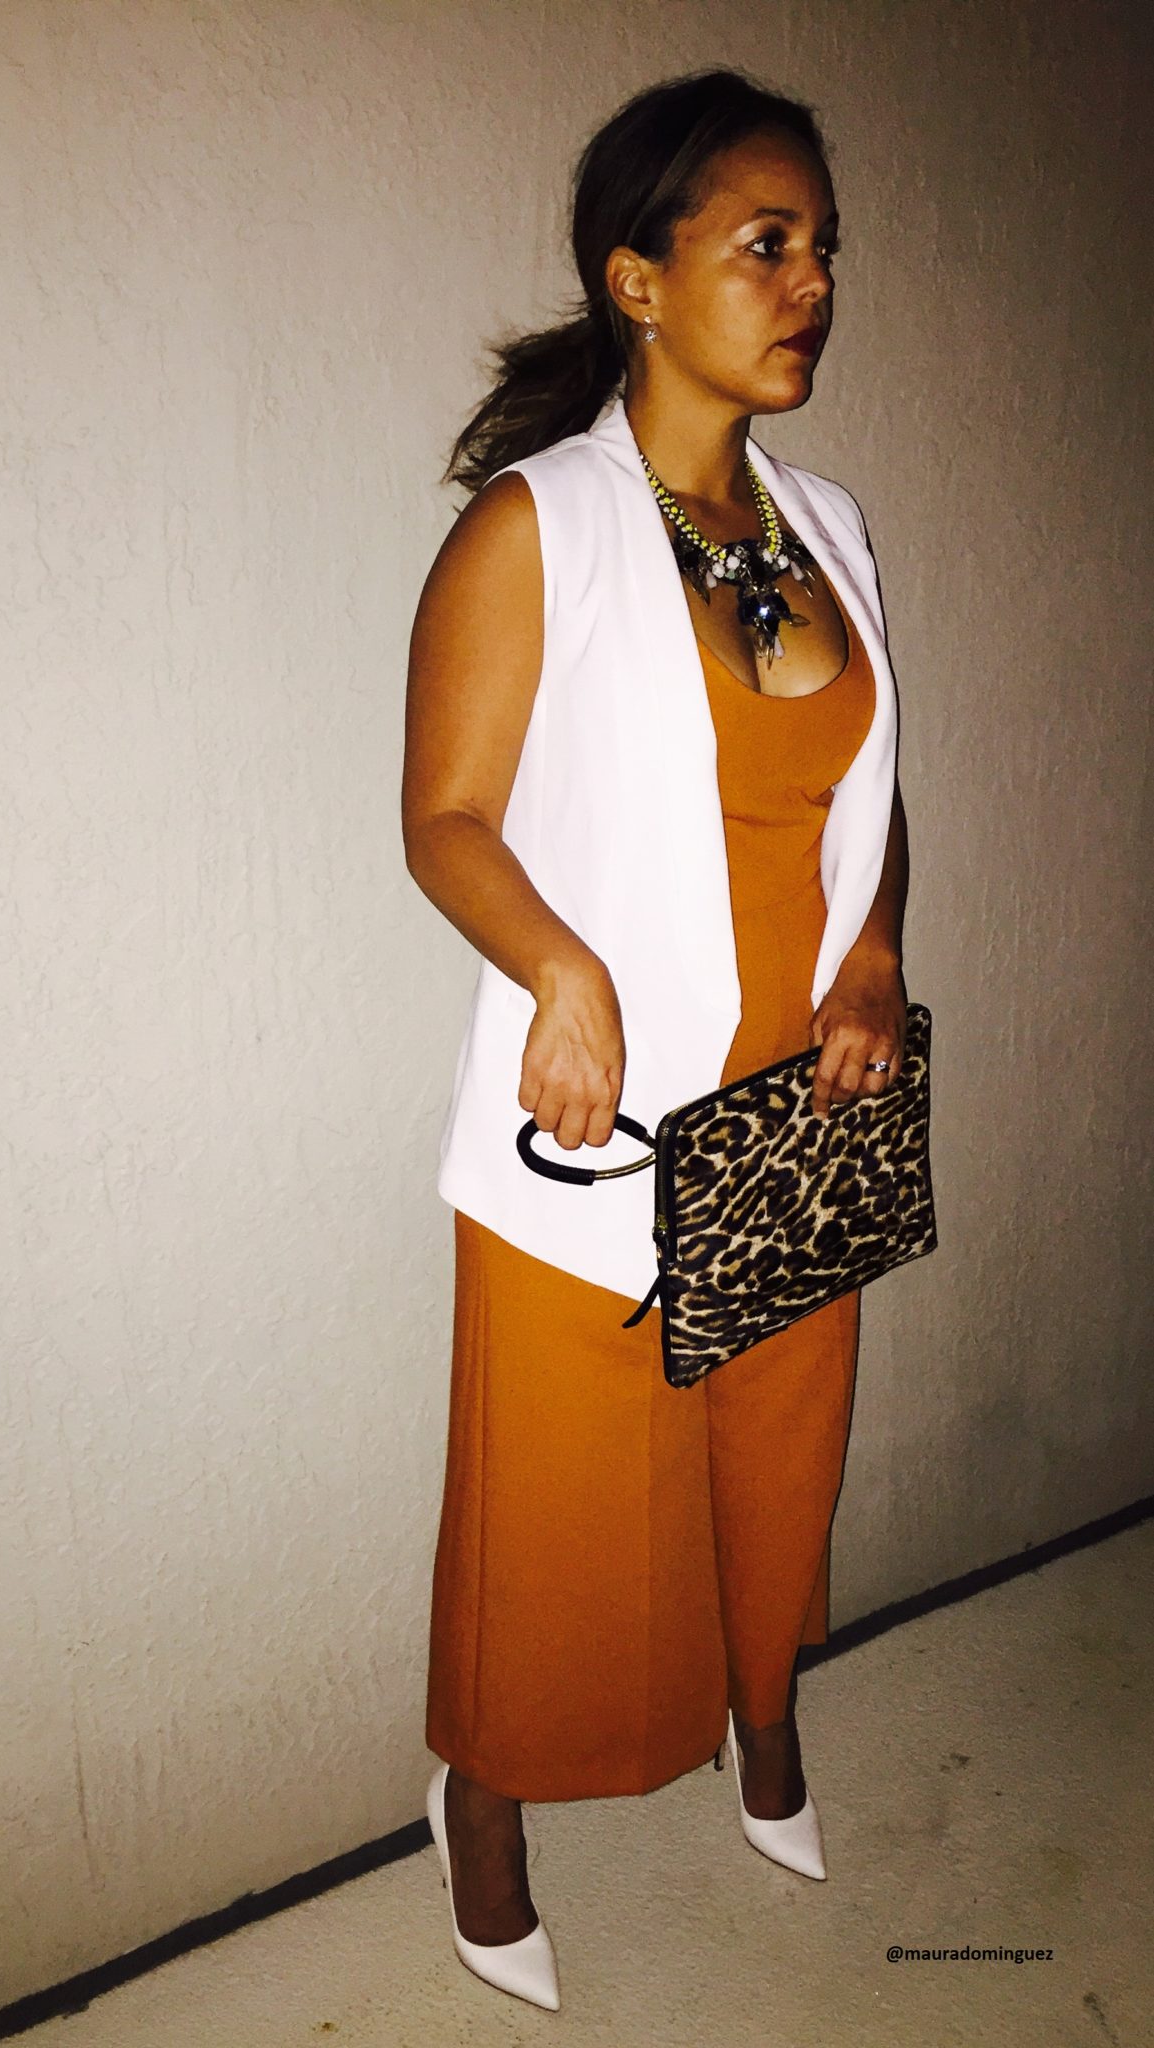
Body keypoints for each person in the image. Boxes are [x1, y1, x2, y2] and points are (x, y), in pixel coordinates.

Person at [401, 69, 910, 2011]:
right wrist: (562, 970)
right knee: (562, 1506)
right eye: (765, 244)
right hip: (605, 1113)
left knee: (776, 1455)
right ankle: (482, 1797)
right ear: (637, 278)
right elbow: (445, 816)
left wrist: (871, 954)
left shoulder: (831, 528)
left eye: (822, 247)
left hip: (804, 1103)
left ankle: (759, 1719)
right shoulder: (538, 525)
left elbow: (867, 804)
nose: (812, 281)